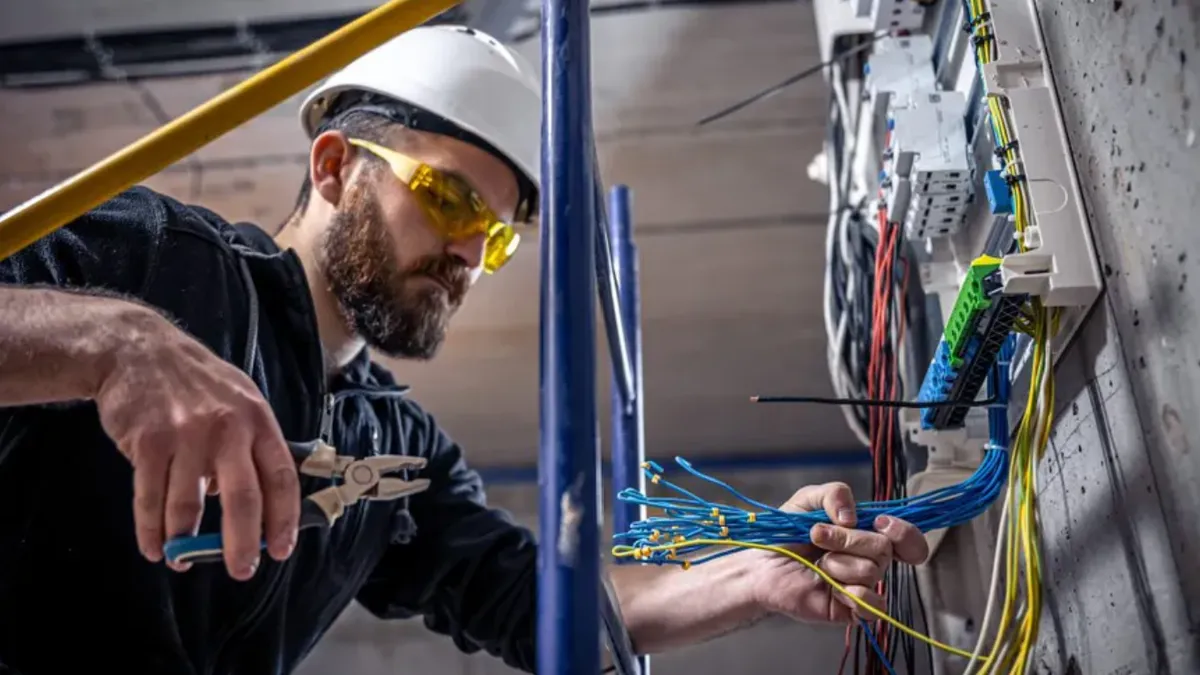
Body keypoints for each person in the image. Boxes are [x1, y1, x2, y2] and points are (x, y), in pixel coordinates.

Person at [0, 25, 927, 674]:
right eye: (448, 200)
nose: (468, 255)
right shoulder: (159, 259)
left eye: (496, 237)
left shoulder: (395, 448)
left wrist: (754, 572)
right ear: (334, 167)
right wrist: (112, 341)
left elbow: (539, 605)